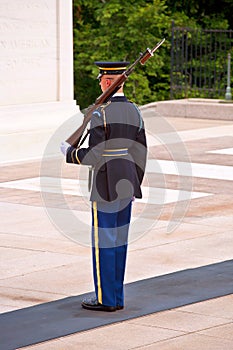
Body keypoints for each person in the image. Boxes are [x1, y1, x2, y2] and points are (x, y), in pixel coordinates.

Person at [60, 61, 147, 312]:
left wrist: (71, 153)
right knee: (119, 241)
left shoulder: (102, 113)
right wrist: (134, 181)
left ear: (108, 82)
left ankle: (105, 299)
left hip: (105, 183)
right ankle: (117, 297)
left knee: (104, 242)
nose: (99, 83)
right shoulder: (135, 111)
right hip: (128, 182)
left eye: (101, 80)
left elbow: (95, 155)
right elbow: (141, 153)